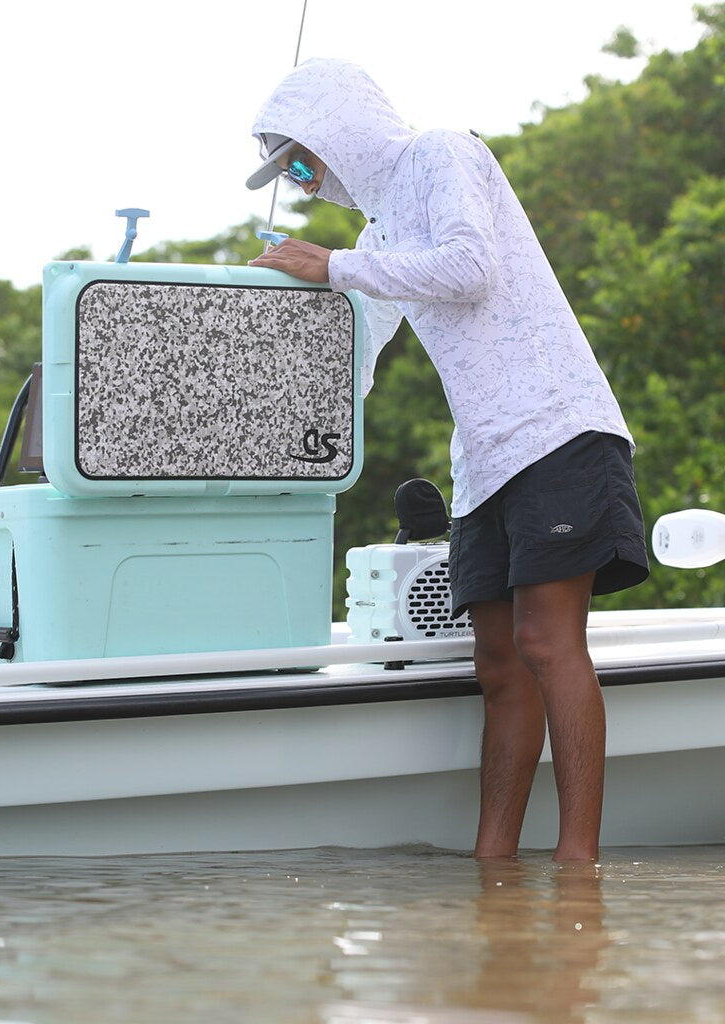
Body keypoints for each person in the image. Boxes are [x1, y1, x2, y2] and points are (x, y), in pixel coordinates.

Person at [246, 58, 648, 862]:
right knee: (498, 663)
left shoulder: (440, 154)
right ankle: (491, 869)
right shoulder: (375, 233)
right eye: (288, 172)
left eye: (299, 159)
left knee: (546, 642)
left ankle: (578, 870)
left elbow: (470, 268)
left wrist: (332, 266)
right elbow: (359, 352)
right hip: (485, 459)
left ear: (337, 129)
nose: (301, 183)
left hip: (556, 428)